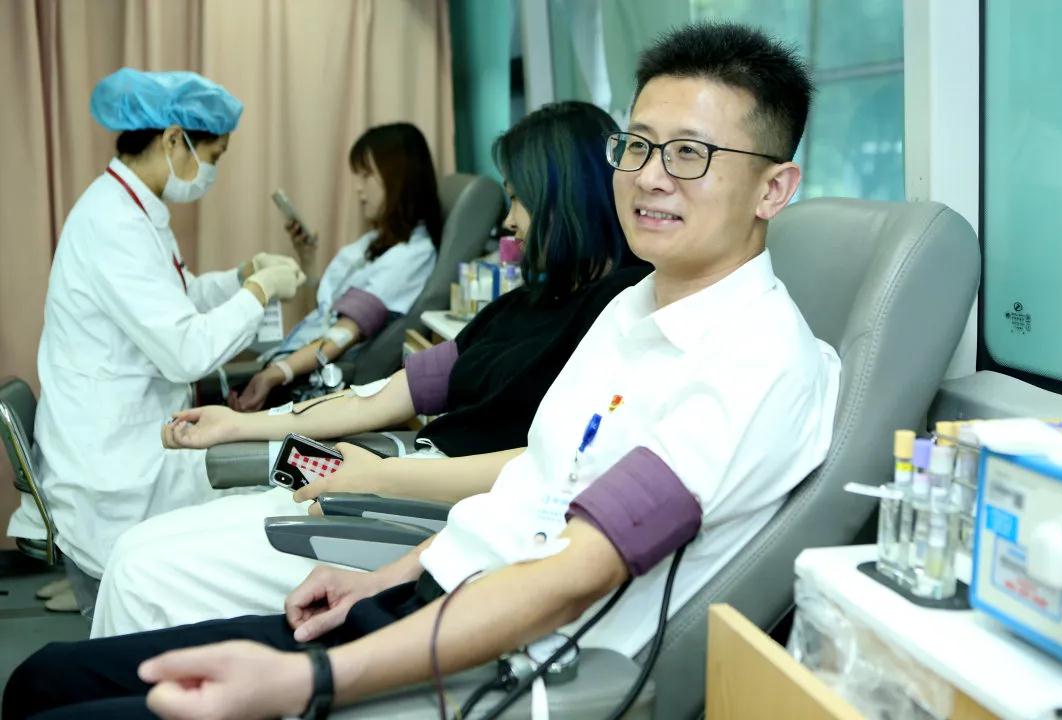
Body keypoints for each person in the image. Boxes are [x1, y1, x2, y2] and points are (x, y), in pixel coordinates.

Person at [4, 23, 842, 720]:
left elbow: (568, 577)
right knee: (39, 680)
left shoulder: (752, 366)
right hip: (425, 586)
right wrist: (381, 577)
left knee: (83, 670)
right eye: (639, 145)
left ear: (774, 188)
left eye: (690, 153)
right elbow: (529, 487)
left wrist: (309, 679)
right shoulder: (632, 311)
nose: (650, 176)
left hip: (492, 654)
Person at [89, 101, 650, 636]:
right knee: (135, 549)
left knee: (142, 572)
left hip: (432, 518)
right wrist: (238, 424)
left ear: (560, 198)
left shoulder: (618, 310)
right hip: (392, 483)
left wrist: (377, 476)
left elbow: (550, 468)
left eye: (519, 200)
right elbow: (381, 397)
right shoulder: (524, 303)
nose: (508, 221)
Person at [4, 68, 306, 613]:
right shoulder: (114, 224)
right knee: (258, 501)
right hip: (113, 464)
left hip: (125, 434)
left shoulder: (132, 207)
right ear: (173, 139)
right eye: (212, 157)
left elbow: (177, 298)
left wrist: (240, 277)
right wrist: (259, 291)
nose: (211, 172)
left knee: (248, 486)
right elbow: (186, 350)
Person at [232, 123, 443, 412]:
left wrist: (276, 374)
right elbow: (326, 314)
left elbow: (341, 334)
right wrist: (307, 258)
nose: (358, 188)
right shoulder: (378, 243)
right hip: (292, 358)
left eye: (366, 175)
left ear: (398, 177)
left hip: (305, 383)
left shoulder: (411, 257)